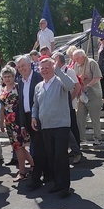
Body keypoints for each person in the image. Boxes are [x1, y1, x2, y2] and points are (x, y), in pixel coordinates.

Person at [31, 58, 75, 198]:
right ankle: (57, 183)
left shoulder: (60, 81)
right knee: (51, 157)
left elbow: (70, 85)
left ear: (53, 67)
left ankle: (64, 187)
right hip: (46, 126)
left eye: (47, 67)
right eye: (41, 68)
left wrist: (58, 71)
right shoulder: (39, 86)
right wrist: (34, 116)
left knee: (60, 156)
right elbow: (35, 105)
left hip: (61, 125)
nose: (44, 70)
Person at [16, 55, 48, 187]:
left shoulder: (38, 77)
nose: (21, 69)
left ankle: (38, 176)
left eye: (23, 65)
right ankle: (42, 174)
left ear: (30, 65)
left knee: (39, 148)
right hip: (28, 118)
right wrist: (23, 125)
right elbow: (22, 104)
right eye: (19, 67)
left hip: (40, 117)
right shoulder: (20, 81)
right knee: (37, 147)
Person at [0, 66, 34, 182]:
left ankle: (22, 172)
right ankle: (34, 165)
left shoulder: (18, 86)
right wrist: (2, 122)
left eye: (9, 76)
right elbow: (2, 107)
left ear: (14, 76)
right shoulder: (3, 89)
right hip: (9, 122)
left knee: (19, 147)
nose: (7, 78)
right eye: (5, 77)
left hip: (18, 120)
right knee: (19, 146)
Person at [72, 49, 103, 146]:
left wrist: (88, 85)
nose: (76, 60)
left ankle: (98, 138)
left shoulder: (91, 63)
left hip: (93, 95)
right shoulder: (76, 65)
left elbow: (97, 77)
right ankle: (82, 139)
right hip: (81, 96)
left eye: (77, 58)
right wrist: (80, 79)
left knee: (95, 119)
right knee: (80, 118)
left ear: (83, 56)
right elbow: (75, 79)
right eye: (75, 59)